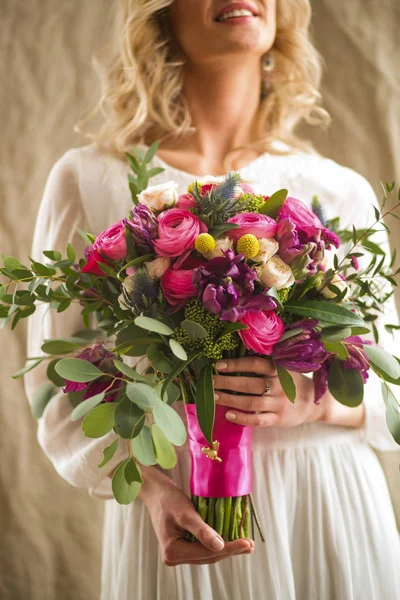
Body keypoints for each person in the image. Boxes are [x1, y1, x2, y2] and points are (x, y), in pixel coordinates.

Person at [24, 1, 400, 598]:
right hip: (181, 506)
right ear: (161, 14)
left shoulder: (339, 191)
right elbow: (55, 380)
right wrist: (151, 489)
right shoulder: (90, 179)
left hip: (323, 502)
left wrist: (316, 401)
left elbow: (393, 380)